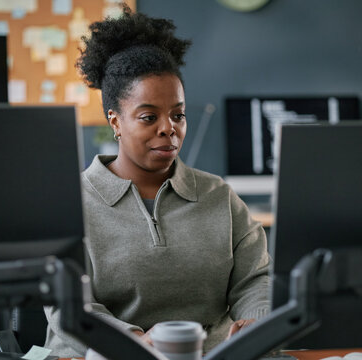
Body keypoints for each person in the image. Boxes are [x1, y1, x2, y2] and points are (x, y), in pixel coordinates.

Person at [44, 5, 270, 357]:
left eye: (178, 114)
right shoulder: (69, 203)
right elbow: (69, 307)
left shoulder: (218, 196)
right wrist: (135, 341)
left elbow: (256, 279)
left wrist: (256, 320)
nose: (169, 128)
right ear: (115, 121)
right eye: (149, 116)